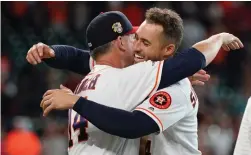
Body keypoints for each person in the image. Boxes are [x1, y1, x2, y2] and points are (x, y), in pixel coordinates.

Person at [31, 9, 242, 155]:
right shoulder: (127, 76)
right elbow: (190, 60)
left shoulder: (99, 77)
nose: (138, 47)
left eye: (145, 42)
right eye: (136, 38)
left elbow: (79, 58)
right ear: (119, 43)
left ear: (168, 50)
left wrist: (53, 54)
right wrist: (217, 39)